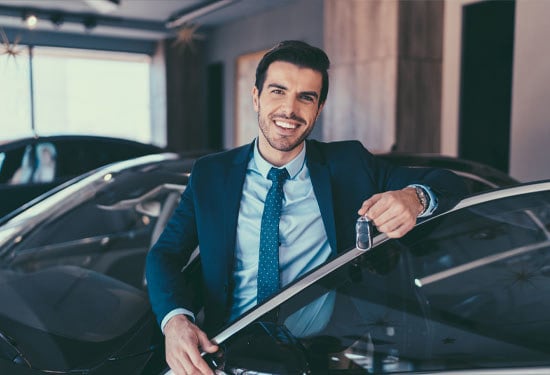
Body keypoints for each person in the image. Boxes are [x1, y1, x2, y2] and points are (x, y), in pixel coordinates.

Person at [146, 40, 467, 374]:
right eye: (278, 91)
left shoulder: (349, 164)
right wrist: (175, 322)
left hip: (317, 357)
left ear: (319, 107)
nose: (289, 109)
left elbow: (450, 183)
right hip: (223, 353)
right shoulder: (211, 173)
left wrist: (414, 198)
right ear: (256, 97)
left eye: (306, 97)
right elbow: (165, 253)